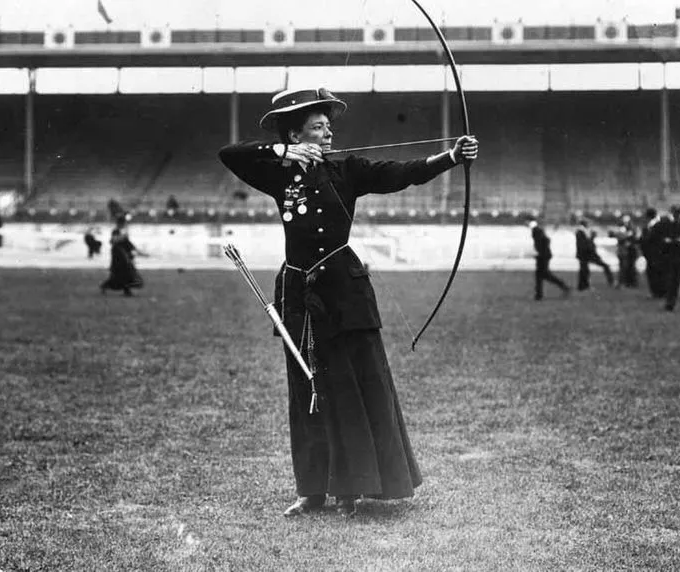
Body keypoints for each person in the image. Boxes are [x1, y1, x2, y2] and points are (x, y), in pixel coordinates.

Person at [218, 87, 478, 518]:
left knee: (349, 386)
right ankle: (312, 491)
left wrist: (451, 156)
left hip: (343, 291)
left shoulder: (348, 168)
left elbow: (403, 172)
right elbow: (230, 153)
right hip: (299, 293)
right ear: (297, 133)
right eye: (317, 128)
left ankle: (352, 490)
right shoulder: (278, 172)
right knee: (307, 390)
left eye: (328, 127)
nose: (327, 134)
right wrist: (285, 152)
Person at [652, 204, 680, 311]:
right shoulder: (664, 223)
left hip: (677, 256)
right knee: (670, 279)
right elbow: (656, 237)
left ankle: (671, 301)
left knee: (675, 280)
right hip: (668, 255)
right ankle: (669, 300)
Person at [529, 219, 570, 300]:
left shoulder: (536, 230)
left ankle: (564, 287)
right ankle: (539, 295)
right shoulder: (538, 230)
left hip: (543, 256)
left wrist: (540, 252)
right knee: (541, 275)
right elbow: (545, 241)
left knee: (544, 275)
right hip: (544, 255)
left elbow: (543, 241)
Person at [100, 226, 144, 296]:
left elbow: (132, 248)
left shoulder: (123, 240)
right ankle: (105, 286)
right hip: (119, 264)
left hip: (126, 263)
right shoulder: (116, 245)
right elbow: (113, 241)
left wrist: (140, 254)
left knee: (127, 278)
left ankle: (127, 291)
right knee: (119, 278)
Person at [575, 218, 614, 291]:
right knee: (585, 271)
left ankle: (583, 286)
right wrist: (592, 238)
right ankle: (583, 286)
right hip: (586, 254)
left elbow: (586, 244)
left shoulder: (583, 231)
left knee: (584, 271)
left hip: (586, 254)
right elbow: (585, 244)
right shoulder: (581, 232)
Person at [640, 207, 666, 298]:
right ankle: (657, 292)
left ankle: (658, 292)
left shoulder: (655, 225)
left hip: (655, 253)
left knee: (655, 273)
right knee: (655, 273)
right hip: (654, 254)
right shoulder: (654, 224)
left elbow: (649, 240)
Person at [610, 215, 639, 288]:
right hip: (625, 250)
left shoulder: (632, 229)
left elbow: (634, 238)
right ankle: (627, 282)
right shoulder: (624, 229)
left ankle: (631, 283)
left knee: (630, 267)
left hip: (630, 250)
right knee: (625, 267)